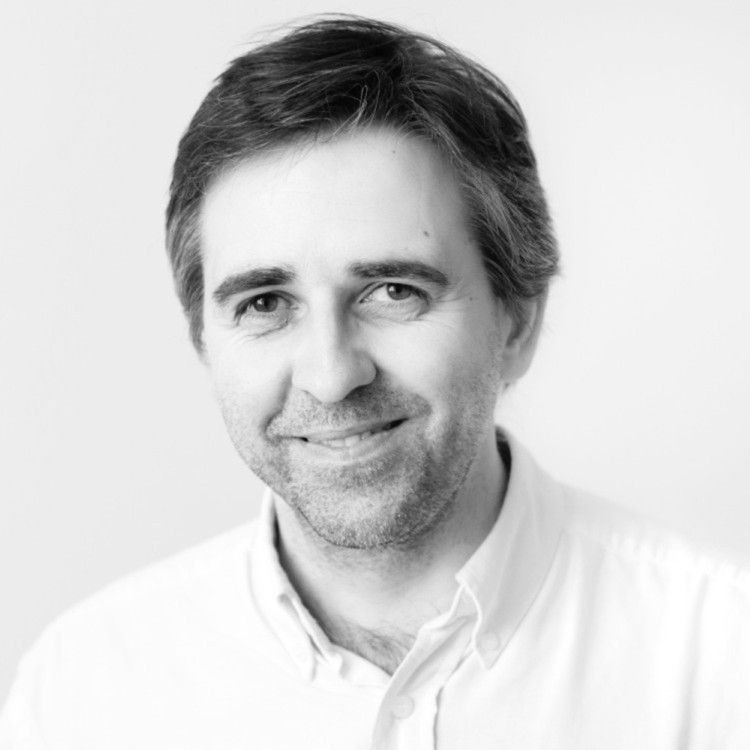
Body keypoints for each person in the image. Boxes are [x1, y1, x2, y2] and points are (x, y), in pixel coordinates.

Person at [1, 15, 748, 750]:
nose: (331, 377)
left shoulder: (721, 664)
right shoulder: (80, 694)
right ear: (204, 339)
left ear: (517, 321)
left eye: (393, 292)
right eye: (265, 304)